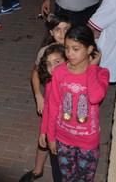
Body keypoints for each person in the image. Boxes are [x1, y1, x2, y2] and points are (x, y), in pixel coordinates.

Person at [41, 25, 109, 182]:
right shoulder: (59, 72)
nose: (69, 53)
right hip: (63, 140)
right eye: (67, 48)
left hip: (87, 143)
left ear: (89, 49)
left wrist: (92, 69)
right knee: (66, 178)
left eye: (76, 49)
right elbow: (53, 106)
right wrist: (51, 137)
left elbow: (94, 98)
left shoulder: (101, 73)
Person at [23, 13, 72, 182]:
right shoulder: (45, 51)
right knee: (44, 134)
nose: (62, 33)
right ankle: (37, 170)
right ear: (51, 32)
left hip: (68, 103)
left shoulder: (74, 50)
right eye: (58, 29)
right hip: (51, 101)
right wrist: (39, 96)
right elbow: (35, 74)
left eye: (66, 29)